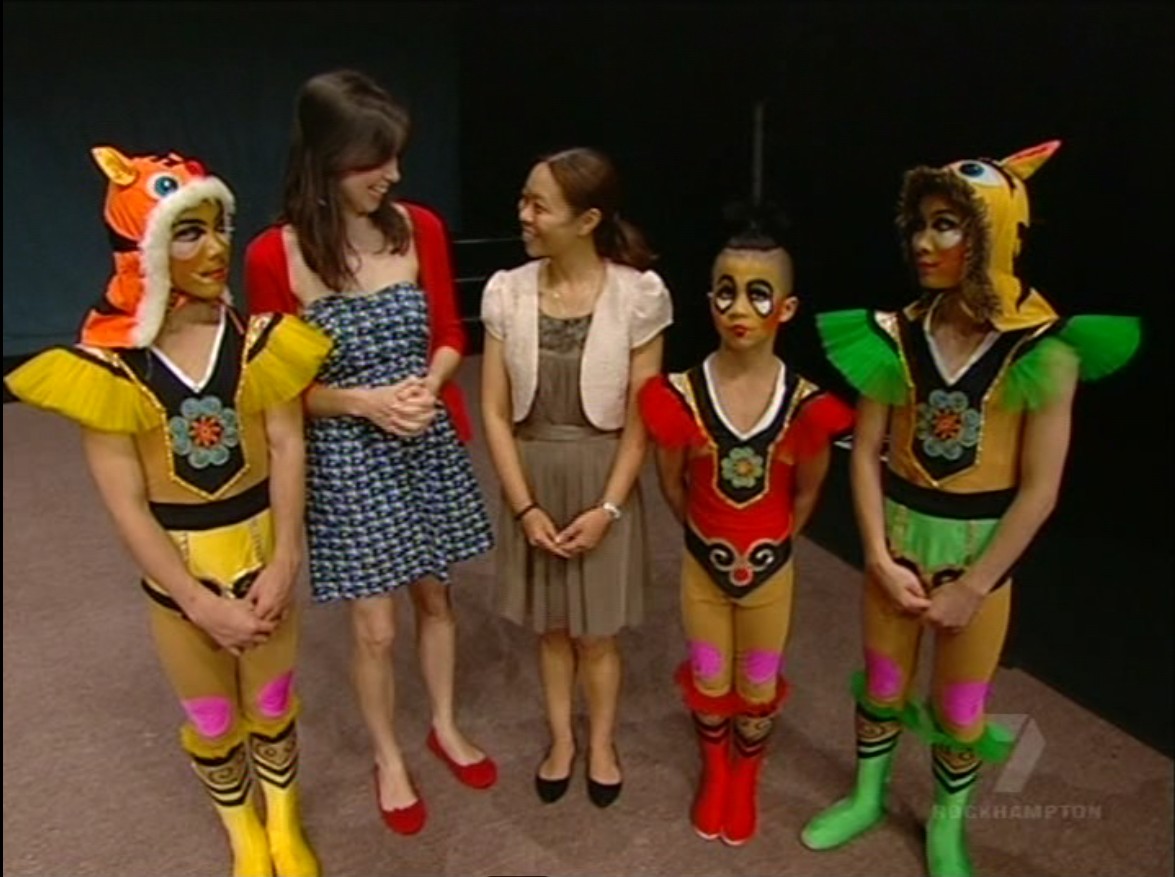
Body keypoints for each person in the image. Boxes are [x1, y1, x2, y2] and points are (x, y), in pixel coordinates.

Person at [800, 141, 1141, 876]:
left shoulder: (1044, 349)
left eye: (947, 224)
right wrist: (875, 555)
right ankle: (868, 794)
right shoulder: (894, 334)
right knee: (882, 682)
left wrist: (975, 585)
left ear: (992, 232)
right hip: (896, 540)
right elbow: (864, 452)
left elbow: (1040, 489)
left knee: (960, 707)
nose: (924, 242)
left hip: (977, 558)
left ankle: (947, 826)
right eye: (920, 224)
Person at [5, 146, 332, 877]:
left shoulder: (260, 344)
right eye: (188, 232)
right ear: (143, 247)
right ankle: (244, 834)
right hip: (178, 579)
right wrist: (195, 600)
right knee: (211, 716)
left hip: (264, 557)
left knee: (272, 699)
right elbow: (125, 504)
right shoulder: (109, 368)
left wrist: (285, 559)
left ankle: (283, 820)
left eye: (218, 227)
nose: (215, 248)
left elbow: (287, 445)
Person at [244, 70, 495, 837]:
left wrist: (427, 383)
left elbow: (450, 333)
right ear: (324, 159)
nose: (391, 175)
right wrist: (364, 402)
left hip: (423, 439)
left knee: (436, 597)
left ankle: (443, 723)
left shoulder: (419, 227)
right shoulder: (273, 256)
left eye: (394, 157)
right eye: (371, 161)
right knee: (375, 628)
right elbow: (276, 390)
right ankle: (387, 754)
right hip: (346, 458)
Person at [638, 215, 853, 845]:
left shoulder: (805, 405)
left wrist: (778, 543)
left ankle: (746, 776)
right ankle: (716, 771)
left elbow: (809, 490)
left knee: (758, 682)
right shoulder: (680, 395)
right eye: (726, 292)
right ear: (709, 301)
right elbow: (671, 482)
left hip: (770, 575)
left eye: (758, 294)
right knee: (709, 675)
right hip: (701, 570)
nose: (739, 308)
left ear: (786, 308)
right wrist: (703, 540)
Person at [480, 147, 672, 807]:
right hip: (532, 474)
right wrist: (524, 507)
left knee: (597, 635)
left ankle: (603, 743)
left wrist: (609, 510)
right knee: (552, 628)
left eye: (539, 205)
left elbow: (642, 420)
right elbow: (494, 411)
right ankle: (562, 739)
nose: (523, 215)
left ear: (587, 220)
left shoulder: (638, 295)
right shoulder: (506, 291)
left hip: (602, 478)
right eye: (523, 199)